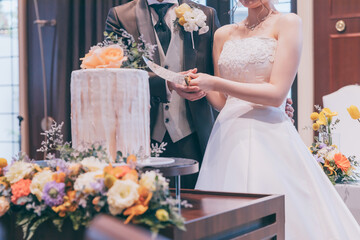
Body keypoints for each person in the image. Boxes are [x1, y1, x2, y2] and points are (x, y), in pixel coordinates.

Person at [189, 0, 360, 238]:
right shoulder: (222, 34)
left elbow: (277, 94)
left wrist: (214, 82)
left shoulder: (288, 23)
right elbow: (222, 101)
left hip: (268, 133)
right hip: (227, 136)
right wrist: (199, 88)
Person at [105, 0, 294, 189]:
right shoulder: (121, 16)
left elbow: (219, 77)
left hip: (194, 136)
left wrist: (270, 99)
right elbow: (115, 75)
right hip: (143, 135)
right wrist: (166, 84)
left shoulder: (206, 15)